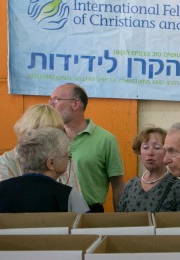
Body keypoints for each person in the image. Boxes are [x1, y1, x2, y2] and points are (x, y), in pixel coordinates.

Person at [49, 83, 124, 212]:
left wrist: (120, 220)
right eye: (50, 100)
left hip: (91, 213)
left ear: (75, 104)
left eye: (56, 100)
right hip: (55, 213)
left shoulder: (106, 139)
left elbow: (118, 185)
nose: (51, 105)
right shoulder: (50, 138)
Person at [0, 127, 89, 216]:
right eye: (67, 155)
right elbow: (87, 232)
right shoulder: (68, 195)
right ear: (51, 163)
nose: (69, 159)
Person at [0, 104, 81, 194]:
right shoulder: (7, 160)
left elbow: (75, 197)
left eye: (56, 132)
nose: (52, 138)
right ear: (28, 132)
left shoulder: (63, 157)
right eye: (45, 133)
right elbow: (5, 198)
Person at [117, 127, 180, 212]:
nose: (150, 153)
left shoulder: (177, 187)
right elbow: (120, 218)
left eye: (157, 147)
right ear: (139, 151)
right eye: (145, 147)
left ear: (167, 151)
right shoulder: (131, 185)